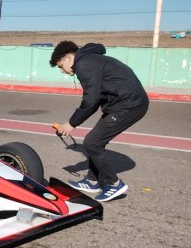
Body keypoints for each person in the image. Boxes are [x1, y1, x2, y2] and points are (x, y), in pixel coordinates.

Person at [49, 41, 148, 202]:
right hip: (125, 103)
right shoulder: (90, 60)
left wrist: (71, 124)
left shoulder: (84, 64)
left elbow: (91, 99)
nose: (62, 71)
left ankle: (114, 183)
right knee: (95, 141)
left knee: (91, 143)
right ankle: (92, 181)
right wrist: (74, 123)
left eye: (61, 66)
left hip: (129, 104)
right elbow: (95, 99)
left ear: (68, 58)